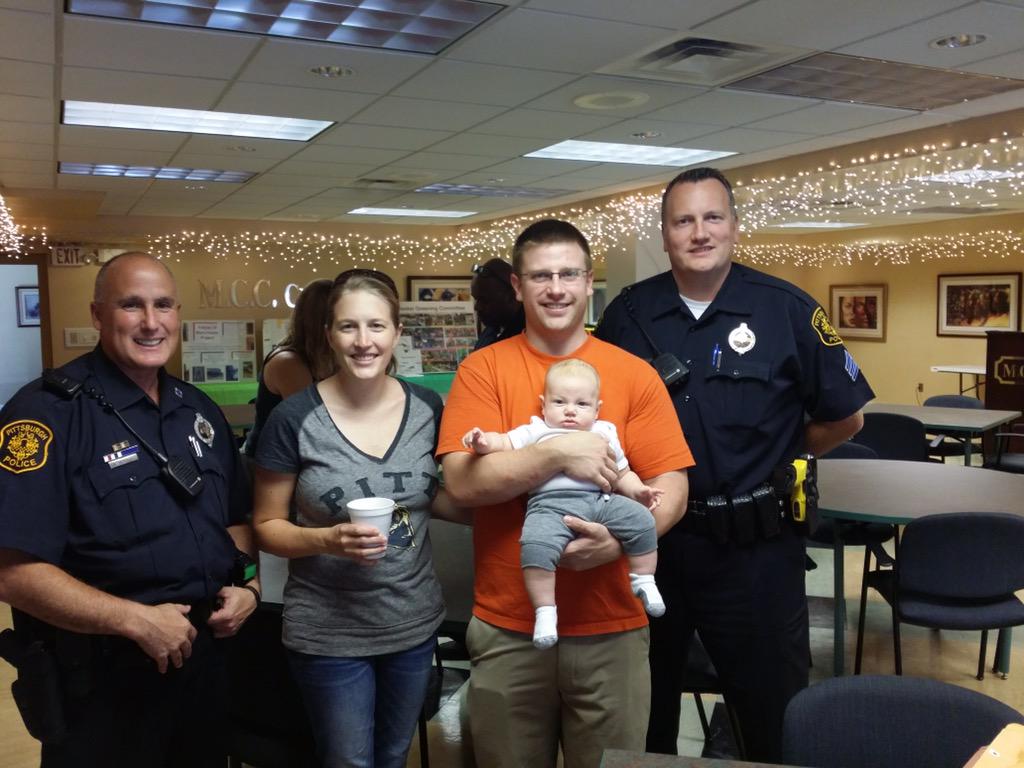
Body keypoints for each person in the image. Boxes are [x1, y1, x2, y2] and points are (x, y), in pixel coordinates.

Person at [595, 167, 874, 762]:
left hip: (757, 554)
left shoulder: (787, 311)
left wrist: (779, 460)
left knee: (771, 718)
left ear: (735, 227)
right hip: (654, 549)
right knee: (644, 716)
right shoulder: (628, 316)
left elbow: (846, 417)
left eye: (713, 217)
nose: (700, 232)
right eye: (684, 220)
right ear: (666, 233)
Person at [437, 219, 693, 768]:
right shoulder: (483, 370)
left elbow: (671, 486)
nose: (556, 287)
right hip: (510, 626)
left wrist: (619, 542)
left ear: (588, 279)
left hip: (613, 629)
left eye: (568, 273)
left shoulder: (634, 375)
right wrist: (555, 453)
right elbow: (461, 481)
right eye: (541, 275)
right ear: (517, 285)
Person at [0, 252, 258, 767]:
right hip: (104, 677)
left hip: (205, 659)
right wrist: (134, 620)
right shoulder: (44, 414)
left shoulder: (197, 408)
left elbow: (236, 521)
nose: (150, 321)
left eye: (163, 305)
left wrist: (250, 586)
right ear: (98, 315)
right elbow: (12, 572)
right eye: (131, 305)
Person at [252, 269, 454, 768]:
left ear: (397, 334)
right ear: (328, 335)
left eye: (377, 327)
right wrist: (327, 540)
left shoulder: (429, 408)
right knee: (348, 762)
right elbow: (266, 526)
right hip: (327, 631)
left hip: (412, 622)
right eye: (348, 327)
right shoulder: (294, 418)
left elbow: (438, 497)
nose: (364, 342)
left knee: (391, 756)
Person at [461, 358, 665, 649]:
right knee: (534, 545)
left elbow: (622, 472)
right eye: (560, 402)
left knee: (642, 520)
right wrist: (481, 441)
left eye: (582, 404)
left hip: (600, 501)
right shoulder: (537, 430)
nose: (570, 410)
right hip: (549, 507)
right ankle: (545, 611)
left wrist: (639, 492)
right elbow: (503, 443)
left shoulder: (604, 431)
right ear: (543, 405)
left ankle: (644, 579)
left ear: (597, 409)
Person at [242, 277, 335, 460]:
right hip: (269, 464)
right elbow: (315, 425)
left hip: (300, 458)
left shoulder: (326, 357)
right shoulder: (288, 362)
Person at [471, 257, 525, 349]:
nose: (477, 307)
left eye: (484, 300)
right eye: (476, 299)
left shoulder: (530, 337)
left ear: (513, 296)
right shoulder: (490, 330)